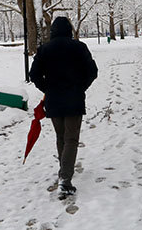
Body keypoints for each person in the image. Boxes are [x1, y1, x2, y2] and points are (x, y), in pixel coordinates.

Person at [29, 17, 98, 199]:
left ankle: (64, 171)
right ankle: (65, 179)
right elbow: (92, 71)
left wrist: (47, 88)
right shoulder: (79, 47)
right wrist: (80, 87)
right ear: (69, 30)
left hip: (54, 100)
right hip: (74, 99)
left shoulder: (45, 49)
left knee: (61, 137)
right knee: (71, 139)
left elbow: (34, 74)